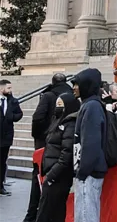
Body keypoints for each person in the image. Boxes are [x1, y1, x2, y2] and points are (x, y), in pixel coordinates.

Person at [28, 74, 71, 219]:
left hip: (49, 146)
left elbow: (38, 118)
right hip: (57, 148)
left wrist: (41, 136)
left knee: (39, 181)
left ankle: (31, 215)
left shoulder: (48, 96)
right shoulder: (71, 95)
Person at [37, 93, 80, 222]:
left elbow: (66, 154)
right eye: (56, 105)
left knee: (48, 213)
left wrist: (51, 175)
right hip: (53, 173)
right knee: (53, 212)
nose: (57, 108)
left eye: (60, 105)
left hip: (58, 176)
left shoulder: (70, 124)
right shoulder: (57, 122)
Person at [72, 68, 107, 222]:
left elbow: (91, 142)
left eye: (77, 84)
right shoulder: (90, 105)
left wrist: (82, 171)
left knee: (86, 216)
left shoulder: (92, 106)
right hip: (89, 171)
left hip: (89, 173)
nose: (74, 87)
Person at [0, 80, 22, 196]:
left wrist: (11, 117)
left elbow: (19, 114)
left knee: (2, 162)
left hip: (6, 137)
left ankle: (0, 185)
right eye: (8, 88)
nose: (10, 90)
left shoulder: (13, 101)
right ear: (1, 89)